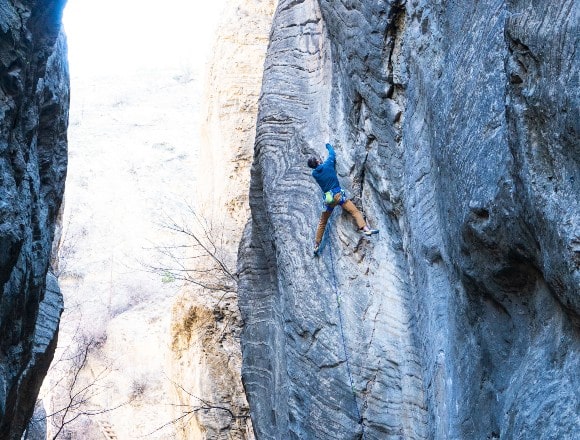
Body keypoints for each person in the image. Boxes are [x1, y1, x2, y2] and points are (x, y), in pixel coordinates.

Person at [308, 143, 378, 254]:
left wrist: (318, 163)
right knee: (354, 211)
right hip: (339, 196)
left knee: (323, 222)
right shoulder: (328, 165)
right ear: (317, 161)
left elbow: (319, 167)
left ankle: (316, 245)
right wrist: (328, 146)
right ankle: (366, 229)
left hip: (329, 200)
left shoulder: (315, 174)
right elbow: (332, 154)